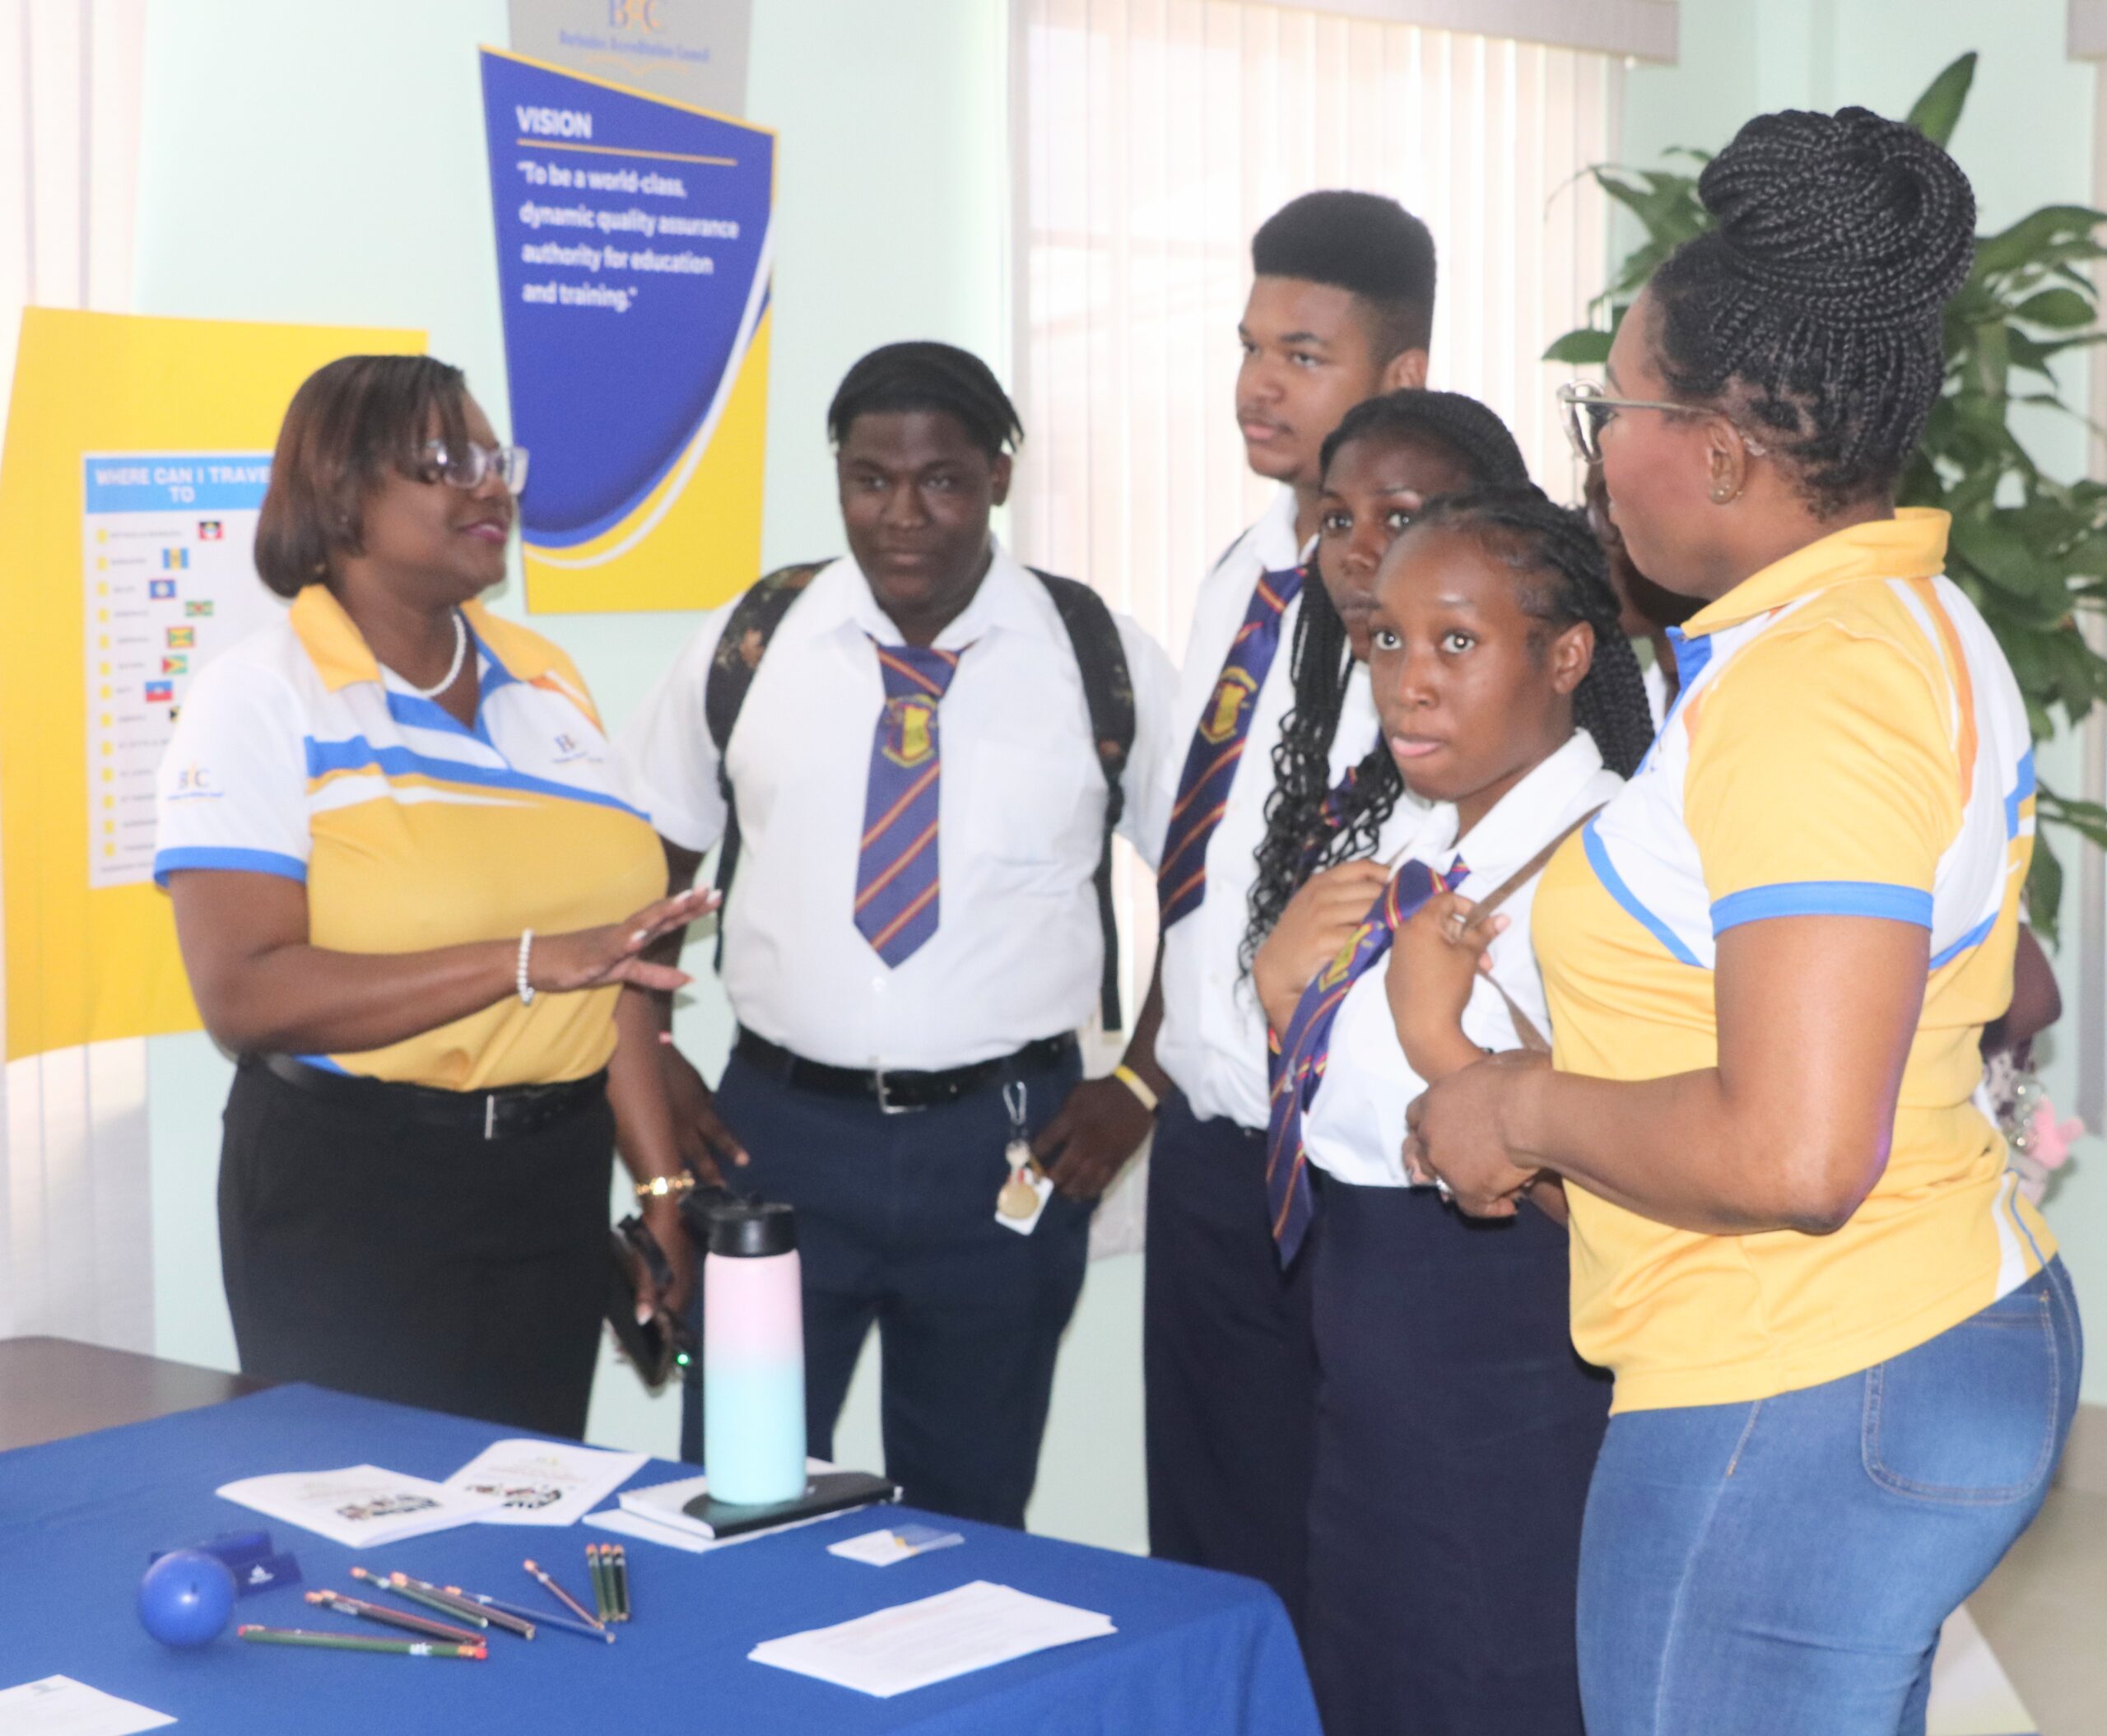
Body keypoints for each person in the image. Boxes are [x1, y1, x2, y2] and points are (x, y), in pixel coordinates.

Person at [1404, 108, 2083, 1734]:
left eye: (1608, 406)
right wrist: (1466, 1061)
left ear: (1713, 451)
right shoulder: (1892, 620)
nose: (1590, 448)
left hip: (1805, 1376)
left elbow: (1790, 1150)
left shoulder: (1818, 692)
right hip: (1882, 1327)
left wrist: (1508, 1100)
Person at [618, 342, 1176, 1527]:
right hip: (773, 1140)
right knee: (739, 1489)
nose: (904, 516)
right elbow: (636, 873)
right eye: (871, 481)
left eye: (942, 482)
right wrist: (657, 1059)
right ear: (838, 480)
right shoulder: (753, 644)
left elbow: (1222, 884)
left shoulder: (1097, 657)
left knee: (969, 1514)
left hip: (1009, 1148)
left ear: (1000, 477)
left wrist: (1144, 1077)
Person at [156, 355, 701, 1440]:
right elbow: (245, 995)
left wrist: (661, 1188)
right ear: (341, 491)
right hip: (354, 1186)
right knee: (367, 1533)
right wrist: (524, 960)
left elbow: (619, 968)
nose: (490, 488)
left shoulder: (551, 683)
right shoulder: (259, 696)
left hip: (548, 1180)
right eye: (447, 464)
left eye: (498, 462)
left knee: (524, 1514)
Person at [1256, 484, 1651, 1734]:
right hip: (1372, 1382)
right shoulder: (1414, 850)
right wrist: (1284, 1003)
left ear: (1567, 654)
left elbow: (1627, 1180)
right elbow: (1352, 1111)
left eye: (1458, 643)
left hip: (1512, 1380)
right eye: (1386, 639)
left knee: (1496, 1689)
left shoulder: (1609, 868)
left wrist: (1444, 1042)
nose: (1407, 681)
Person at [1141, 189, 1435, 1622]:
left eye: (1305, 354)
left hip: (1348, 1163)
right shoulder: (1234, 576)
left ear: (1400, 380)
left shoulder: (1444, 609)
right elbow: (1192, 866)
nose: (1261, 382)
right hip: (1206, 1144)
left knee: (1357, 1561)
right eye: (1252, 344)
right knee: (1208, 1555)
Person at [1241, 388, 1531, 975]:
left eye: (1399, 517)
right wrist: (1280, 987)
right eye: (1338, 521)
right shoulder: (1340, 753)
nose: (1355, 552)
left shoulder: (1535, 799)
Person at [1583, 458, 1700, 725]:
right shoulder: (1629, 710)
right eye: (1593, 507)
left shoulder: (1761, 700)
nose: (1594, 534)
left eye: (1608, 505)